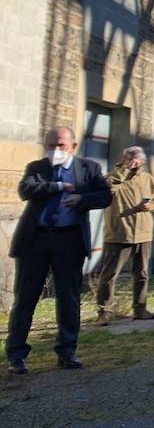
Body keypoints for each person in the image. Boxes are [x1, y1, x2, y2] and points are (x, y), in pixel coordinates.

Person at [6, 126, 112, 373]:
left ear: (73, 146)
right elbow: (26, 190)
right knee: (26, 298)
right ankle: (17, 355)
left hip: (69, 240)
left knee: (68, 299)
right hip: (36, 241)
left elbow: (105, 196)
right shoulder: (37, 168)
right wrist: (58, 186)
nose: (55, 150)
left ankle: (67, 350)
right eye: (51, 145)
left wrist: (81, 200)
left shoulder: (89, 169)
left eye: (61, 145)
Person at [95, 146, 154, 324]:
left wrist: (152, 206)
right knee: (109, 274)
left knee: (142, 273)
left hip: (143, 232)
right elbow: (108, 190)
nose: (137, 164)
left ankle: (140, 308)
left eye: (140, 161)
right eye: (133, 160)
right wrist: (125, 170)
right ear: (124, 159)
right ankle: (105, 311)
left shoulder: (147, 178)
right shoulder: (112, 177)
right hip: (119, 232)